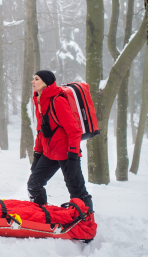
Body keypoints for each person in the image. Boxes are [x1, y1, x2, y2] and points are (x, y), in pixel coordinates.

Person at [27, 70, 94, 212]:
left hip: (66, 153)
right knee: (34, 184)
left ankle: (85, 224)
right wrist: (37, 154)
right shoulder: (40, 101)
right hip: (49, 153)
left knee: (77, 191)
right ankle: (41, 216)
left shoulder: (58, 101)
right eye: (33, 79)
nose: (33, 81)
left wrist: (73, 157)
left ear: (45, 83)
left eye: (37, 79)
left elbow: (74, 131)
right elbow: (41, 131)